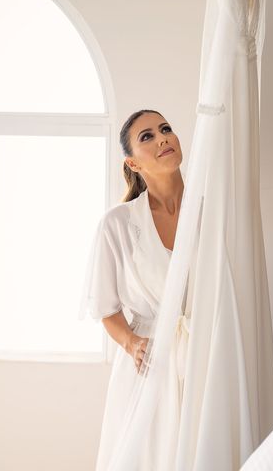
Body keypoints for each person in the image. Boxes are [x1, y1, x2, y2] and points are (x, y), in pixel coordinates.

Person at [81, 108, 196, 469]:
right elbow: (105, 307)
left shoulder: (211, 211)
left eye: (166, 129)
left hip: (202, 354)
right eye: (147, 136)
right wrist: (132, 343)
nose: (163, 138)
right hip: (148, 364)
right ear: (132, 163)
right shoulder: (116, 224)